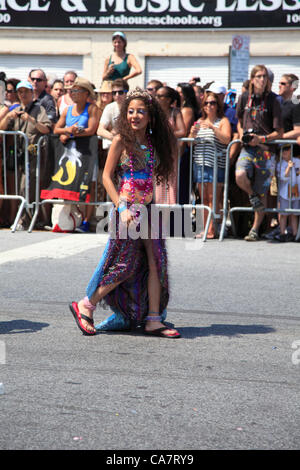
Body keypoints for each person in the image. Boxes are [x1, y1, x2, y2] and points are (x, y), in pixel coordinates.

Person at [69, 87, 180, 338]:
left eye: (141, 111)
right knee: (125, 263)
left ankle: (152, 319)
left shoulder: (153, 143)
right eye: (131, 111)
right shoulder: (121, 139)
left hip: (148, 209)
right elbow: (107, 177)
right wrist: (121, 207)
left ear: (151, 116)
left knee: (155, 263)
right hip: (127, 210)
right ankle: (85, 305)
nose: (135, 116)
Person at [235, 64, 283, 241]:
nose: (262, 80)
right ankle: (252, 196)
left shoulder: (274, 100)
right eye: (259, 76)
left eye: (265, 77)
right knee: (240, 175)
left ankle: (254, 229)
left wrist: (260, 139)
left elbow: (279, 133)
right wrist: (241, 134)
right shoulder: (244, 97)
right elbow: (239, 120)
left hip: (265, 150)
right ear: (252, 79)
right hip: (247, 148)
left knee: (262, 190)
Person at [0, 80, 52, 230]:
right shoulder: (15, 108)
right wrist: (9, 117)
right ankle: (19, 217)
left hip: (33, 152)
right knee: (17, 186)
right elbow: (2, 129)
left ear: (32, 93)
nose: (23, 95)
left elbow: (46, 129)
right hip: (17, 154)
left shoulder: (38, 109)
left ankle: (26, 219)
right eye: (20, 92)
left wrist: (30, 119)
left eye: (26, 92)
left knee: (27, 186)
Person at [54, 77, 100, 233]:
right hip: (70, 152)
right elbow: (56, 129)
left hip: (87, 152)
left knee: (89, 185)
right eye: (71, 91)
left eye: (75, 90)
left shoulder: (93, 108)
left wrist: (71, 133)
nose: (72, 93)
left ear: (85, 93)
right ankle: (72, 218)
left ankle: (86, 221)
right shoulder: (67, 110)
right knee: (71, 182)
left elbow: (91, 130)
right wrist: (68, 130)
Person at [189, 91, 231, 238]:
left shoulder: (223, 121)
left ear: (217, 105)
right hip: (200, 164)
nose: (209, 106)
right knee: (204, 199)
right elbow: (190, 144)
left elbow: (226, 139)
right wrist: (192, 134)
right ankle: (205, 228)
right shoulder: (199, 121)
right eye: (206, 103)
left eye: (212, 102)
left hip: (215, 164)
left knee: (214, 198)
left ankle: (212, 229)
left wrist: (213, 127)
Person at [155, 85, 186, 204]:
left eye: (160, 96)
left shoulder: (175, 112)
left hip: (171, 155)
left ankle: (166, 221)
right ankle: (158, 222)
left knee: (170, 190)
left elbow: (182, 131)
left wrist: (165, 134)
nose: (156, 98)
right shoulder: (154, 113)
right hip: (156, 154)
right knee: (157, 190)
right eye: (156, 95)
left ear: (168, 99)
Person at [176, 82, 199, 204]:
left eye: (180, 92)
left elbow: (183, 133)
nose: (177, 94)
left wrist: (178, 155)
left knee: (182, 188)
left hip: (183, 153)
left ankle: (181, 220)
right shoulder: (178, 109)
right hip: (179, 152)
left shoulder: (186, 110)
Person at [276, 145, 300, 242]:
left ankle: (295, 234)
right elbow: (283, 177)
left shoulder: (297, 161)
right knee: (284, 214)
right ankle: (282, 233)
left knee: (294, 214)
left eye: (286, 150)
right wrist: (288, 168)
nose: (284, 153)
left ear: (290, 150)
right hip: (285, 192)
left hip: (296, 191)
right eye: (282, 151)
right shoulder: (280, 164)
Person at [97, 78, 129, 150]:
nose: (117, 95)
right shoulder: (109, 107)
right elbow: (100, 130)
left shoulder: (132, 106)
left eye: (120, 92)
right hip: (116, 145)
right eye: (114, 93)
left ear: (126, 93)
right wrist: (115, 138)